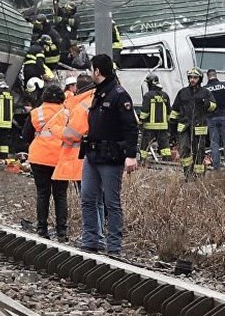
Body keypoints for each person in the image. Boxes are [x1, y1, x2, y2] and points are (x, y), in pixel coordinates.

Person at [79, 54, 138, 256]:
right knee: (87, 197)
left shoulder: (119, 95)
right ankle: (91, 241)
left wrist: (131, 155)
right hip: (93, 154)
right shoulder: (99, 93)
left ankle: (114, 247)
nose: (90, 73)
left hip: (111, 156)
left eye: (91, 70)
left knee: (112, 203)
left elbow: (131, 127)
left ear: (97, 71)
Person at [52, 75, 101, 246]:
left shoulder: (81, 106)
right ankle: (99, 235)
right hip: (100, 156)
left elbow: (73, 135)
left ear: (78, 89)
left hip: (82, 159)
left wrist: (57, 130)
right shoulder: (98, 99)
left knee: (88, 200)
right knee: (99, 200)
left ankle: (93, 237)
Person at [22, 84, 68, 240]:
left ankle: (42, 230)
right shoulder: (67, 114)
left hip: (39, 157)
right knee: (60, 195)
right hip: (61, 158)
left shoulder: (36, 113)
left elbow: (26, 135)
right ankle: (62, 232)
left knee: (43, 194)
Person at [169, 68, 217, 180]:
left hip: (199, 127)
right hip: (184, 127)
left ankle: (199, 177)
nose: (192, 80)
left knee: (199, 152)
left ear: (200, 79)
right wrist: (172, 126)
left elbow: (214, 107)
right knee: (184, 150)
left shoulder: (206, 92)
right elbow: (175, 110)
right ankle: (188, 174)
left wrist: (207, 104)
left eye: (195, 78)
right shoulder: (182, 92)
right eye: (190, 77)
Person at [138, 74, 172, 163]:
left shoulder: (148, 96)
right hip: (163, 127)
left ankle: (142, 163)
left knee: (145, 146)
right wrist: (167, 123)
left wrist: (141, 121)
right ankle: (167, 163)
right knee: (165, 147)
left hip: (149, 127)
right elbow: (169, 112)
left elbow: (144, 112)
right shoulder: (165, 95)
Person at [205, 69, 225, 171]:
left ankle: (216, 167)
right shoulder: (223, 85)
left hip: (211, 118)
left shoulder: (205, 89)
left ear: (207, 76)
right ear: (216, 75)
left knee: (214, 143)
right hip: (224, 116)